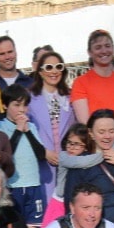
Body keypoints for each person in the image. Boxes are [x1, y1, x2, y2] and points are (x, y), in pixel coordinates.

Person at [0, 85, 48, 228]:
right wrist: (18, 130)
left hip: (33, 184)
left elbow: (41, 155)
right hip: (12, 186)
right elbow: (6, 153)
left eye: (25, 105)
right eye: (17, 105)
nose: (22, 109)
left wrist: (27, 131)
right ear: (5, 105)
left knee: (32, 225)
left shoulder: (31, 126)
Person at [26, 50, 75, 203]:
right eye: (48, 67)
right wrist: (44, 151)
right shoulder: (28, 98)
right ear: (40, 71)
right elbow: (25, 130)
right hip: (42, 165)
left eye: (58, 67)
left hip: (68, 163)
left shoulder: (71, 96)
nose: (54, 71)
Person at [70, 29, 114, 124]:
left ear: (113, 48)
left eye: (107, 46)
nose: (104, 51)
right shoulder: (80, 83)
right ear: (89, 52)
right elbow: (85, 122)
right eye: (98, 47)